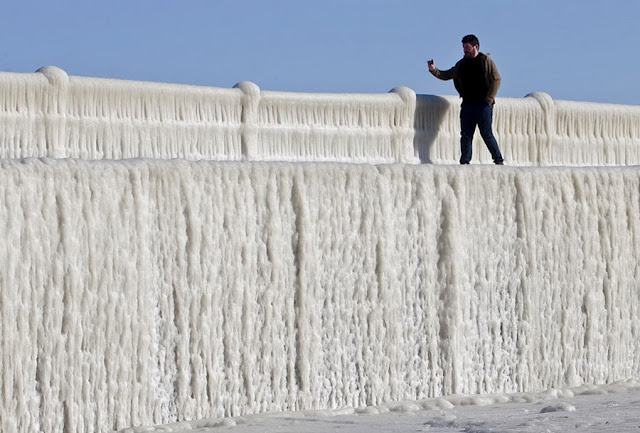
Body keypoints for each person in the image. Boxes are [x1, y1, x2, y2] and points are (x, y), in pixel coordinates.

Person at [428, 34, 504, 165]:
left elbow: (496, 79)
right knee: (466, 135)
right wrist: (434, 70)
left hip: (483, 104)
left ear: (476, 47)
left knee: (486, 133)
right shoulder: (461, 64)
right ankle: (464, 162)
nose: (465, 50)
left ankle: (498, 161)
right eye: (463, 48)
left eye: (467, 48)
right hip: (468, 104)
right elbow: (447, 75)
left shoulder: (485, 61)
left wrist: (489, 99)